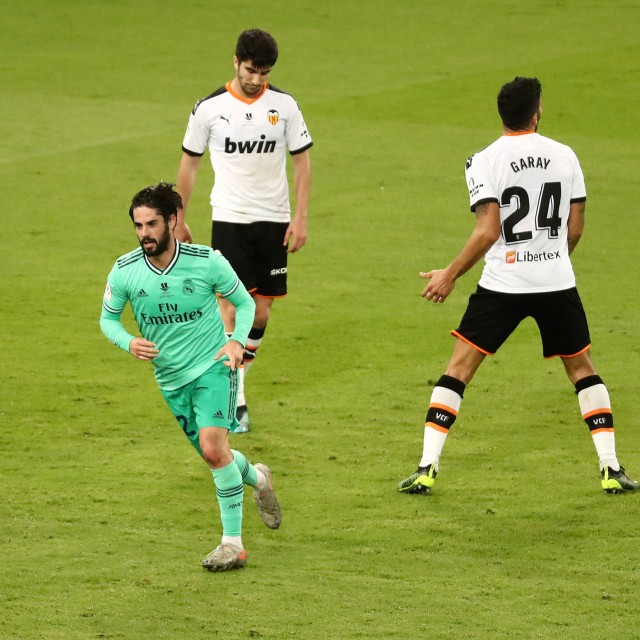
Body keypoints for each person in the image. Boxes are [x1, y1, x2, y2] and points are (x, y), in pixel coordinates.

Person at [398, 77, 638, 496]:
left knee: (458, 368)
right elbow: (576, 228)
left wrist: (450, 274)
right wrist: (551, 260)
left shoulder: (483, 160)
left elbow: (488, 230)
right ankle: (611, 468)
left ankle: (426, 466)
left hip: (502, 283)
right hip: (556, 281)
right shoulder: (566, 156)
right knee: (582, 369)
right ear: (536, 111)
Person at [100, 182, 282, 572]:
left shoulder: (207, 262)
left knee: (215, 449)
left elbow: (244, 302)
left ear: (172, 220)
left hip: (213, 367)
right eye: (138, 226)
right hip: (171, 381)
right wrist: (128, 341)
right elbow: (107, 319)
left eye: (151, 224)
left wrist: (236, 342)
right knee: (217, 457)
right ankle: (260, 479)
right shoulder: (126, 271)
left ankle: (232, 545)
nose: (144, 233)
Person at [175, 28, 313, 432]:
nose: (256, 79)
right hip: (230, 217)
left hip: (274, 218)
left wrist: (300, 216)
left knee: (263, 310)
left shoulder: (285, 105)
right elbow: (190, 163)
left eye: (264, 72)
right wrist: (178, 217)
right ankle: (230, 393)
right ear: (235, 62)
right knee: (232, 306)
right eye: (251, 70)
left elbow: (302, 162)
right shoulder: (209, 108)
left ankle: (238, 379)